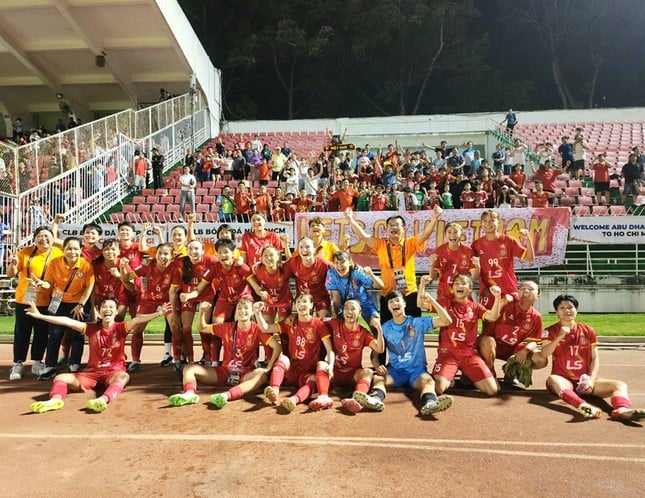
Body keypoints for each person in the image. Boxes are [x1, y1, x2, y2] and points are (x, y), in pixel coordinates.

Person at [28, 300, 172, 413]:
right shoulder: (91, 329)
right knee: (60, 378)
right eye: (104, 306)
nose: (107, 309)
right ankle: (55, 401)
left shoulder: (121, 328)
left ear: (116, 312)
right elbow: (66, 321)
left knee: (123, 377)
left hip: (113, 372)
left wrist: (159, 313)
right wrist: (40, 316)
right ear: (99, 311)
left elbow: (138, 320)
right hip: (92, 374)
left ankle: (103, 400)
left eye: (111, 307)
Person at [533, 294, 645, 421]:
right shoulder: (550, 331)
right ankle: (583, 406)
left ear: (577, 310)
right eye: (562, 308)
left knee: (620, 385)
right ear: (556, 312)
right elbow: (543, 354)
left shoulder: (588, 330)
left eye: (570, 307)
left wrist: (591, 380)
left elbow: (595, 357)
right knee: (553, 379)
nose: (567, 311)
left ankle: (622, 410)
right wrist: (559, 337)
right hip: (564, 379)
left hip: (585, 380)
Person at [168, 299, 281, 408]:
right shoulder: (228, 327)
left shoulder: (257, 329)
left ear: (252, 312)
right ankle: (189, 394)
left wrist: (268, 368)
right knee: (189, 368)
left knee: (261, 375)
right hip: (225, 372)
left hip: (245, 374)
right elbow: (202, 328)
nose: (242, 311)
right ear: (236, 312)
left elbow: (277, 347)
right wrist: (202, 311)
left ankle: (226, 396)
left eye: (246, 308)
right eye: (239, 308)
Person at [362, 282, 453, 416]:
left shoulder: (417, 323)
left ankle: (431, 403)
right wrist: (376, 365)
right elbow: (375, 354)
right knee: (378, 379)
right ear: (388, 307)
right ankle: (376, 400)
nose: (394, 304)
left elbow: (446, 321)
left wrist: (432, 300)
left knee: (428, 381)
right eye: (391, 302)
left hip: (416, 371)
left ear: (404, 303)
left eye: (397, 300)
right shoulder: (385, 328)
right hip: (396, 371)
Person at [344, 205, 442, 322]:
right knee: (387, 332)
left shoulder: (410, 243)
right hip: (388, 295)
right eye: (390, 225)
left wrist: (435, 218)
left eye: (397, 225)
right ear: (386, 229)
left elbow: (425, 234)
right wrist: (350, 219)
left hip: (409, 293)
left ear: (404, 228)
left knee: (413, 331)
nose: (394, 227)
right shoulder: (381, 244)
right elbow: (363, 236)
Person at [254, 294, 334, 413]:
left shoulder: (319, 324)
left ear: (311, 305)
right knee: (283, 358)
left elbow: (329, 350)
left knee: (314, 378)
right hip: (292, 369)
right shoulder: (290, 323)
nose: (301, 304)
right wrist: (257, 313)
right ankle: (274, 391)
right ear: (295, 306)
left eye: (305, 301)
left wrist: (331, 366)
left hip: (308, 371)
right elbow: (266, 328)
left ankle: (293, 400)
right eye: (299, 302)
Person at [32, 237, 94, 379]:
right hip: (58, 301)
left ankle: (74, 362)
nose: (72, 252)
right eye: (69, 249)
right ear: (63, 250)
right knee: (54, 334)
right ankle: (50, 365)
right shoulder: (55, 263)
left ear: (81, 250)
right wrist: (42, 284)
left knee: (77, 334)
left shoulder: (86, 265)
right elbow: (49, 283)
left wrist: (81, 304)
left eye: (75, 249)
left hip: (78, 303)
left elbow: (89, 287)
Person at [7, 226, 63, 380]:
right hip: (25, 299)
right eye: (40, 236)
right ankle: (18, 363)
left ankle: (37, 361)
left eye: (47, 236)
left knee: (42, 333)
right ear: (34, 238)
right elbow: (10, 274)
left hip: (48, 300)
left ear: (53, 239)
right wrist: (12, 264)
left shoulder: (59, 253)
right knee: (22, 332)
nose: (43, 239)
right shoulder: (25, 252)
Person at [431, 275, 502, 397]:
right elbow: (421, 303)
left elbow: (492, 317)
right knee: (438, 388)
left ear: (470, 289)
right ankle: (449, 379)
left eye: (463, 283)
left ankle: (469, 376)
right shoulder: (445, 303)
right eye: (456, 283)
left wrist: (497, 297)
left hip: (469, 355)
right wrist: (422, 288)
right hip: (448, 355)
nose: (459, 285)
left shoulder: (475, 307)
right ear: (452, 288)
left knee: (492, 390)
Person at [121, 243, 175, 373]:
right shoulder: (147, 266)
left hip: (167, 300)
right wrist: (123, 268)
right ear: (155, 254)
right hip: (148, 301)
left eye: (166, 254)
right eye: (160, 253)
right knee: (138, 328)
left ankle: (178, 360)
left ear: (172, 256)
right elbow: (127, 278)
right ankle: (135, 360)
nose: (162, 256)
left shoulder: (175, 268)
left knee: (175, 326)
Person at [478, 280, 546, 383]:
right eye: (523, 288)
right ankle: (490, 373)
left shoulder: (536, 317)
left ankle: (511, 371)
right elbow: (489, 317)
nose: (526, 291)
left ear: (538, 296)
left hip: (514, 350)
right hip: (493, 345)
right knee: (486, 340)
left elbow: (535, 341)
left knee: (541, 360)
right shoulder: (507, 303)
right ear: (518, 291)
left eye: (531, 289)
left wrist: (525, 350)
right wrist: (501, 301)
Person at [326, 299, 385, 413]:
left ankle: (356, 399)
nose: (349, 311)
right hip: (335, 372)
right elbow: (315, 321)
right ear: (343, 311)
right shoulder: (334, 323)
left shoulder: (363, 332)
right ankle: (322, 396)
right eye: (346, 308)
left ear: (360, 313)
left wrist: (379, 329)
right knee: (322, 366)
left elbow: (380, 349)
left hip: (353, 374)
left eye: (353, 308)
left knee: (368, 372)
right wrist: (293, 316)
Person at [471, 209, 534, 308]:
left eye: (492, 220)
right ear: (481, 223)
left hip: (508, 291)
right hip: (488, 292)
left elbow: (530, 258)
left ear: (499, 222)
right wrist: (477, 266)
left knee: (511, 323)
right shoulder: (476, 245)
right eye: (485, 221)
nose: (488, 223)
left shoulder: (508, 241)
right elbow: (475, 276)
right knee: (490, 321)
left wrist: (528, 239)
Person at [325, 250, 384, 339]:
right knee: (338, 331)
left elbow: (380, 286)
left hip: (363, 303)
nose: (339, 266)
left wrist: (371, 274)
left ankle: (379, 350)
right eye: (336, 263)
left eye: (342, 262)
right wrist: (335, 315)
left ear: (349, 262)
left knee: (376, 326)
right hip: (344, 305)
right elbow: (336, 297)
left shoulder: (356, 273)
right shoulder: (332, 273)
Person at [284, 237, 333, 318]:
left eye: (307, 247)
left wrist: (355, 268)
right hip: (303, 299)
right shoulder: (293, 262)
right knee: (305, 322)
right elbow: (279, 270)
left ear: (314, 248)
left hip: (321, 298)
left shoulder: (324, 264)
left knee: (324, 321)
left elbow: (341, 269)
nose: (304, 250)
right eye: (301, 247)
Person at [429, 222, 478, 301]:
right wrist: (432, 265)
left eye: (455, 232)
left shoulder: (468, 251)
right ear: (445, 234)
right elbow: (433, 277)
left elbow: (475, 277)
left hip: (462, 292)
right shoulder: (439, 251)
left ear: (461, 234)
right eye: (449, 232)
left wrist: (478, 266)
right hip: (444, 293)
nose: (452, 234)